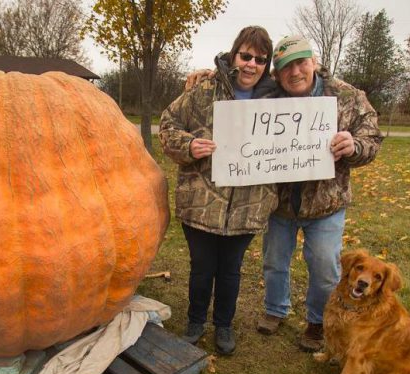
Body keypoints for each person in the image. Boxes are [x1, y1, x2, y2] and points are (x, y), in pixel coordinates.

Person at [184, 35, 383, 352]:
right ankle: (275, 309)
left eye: (301, 63)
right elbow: (237, 79)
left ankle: (317, 323)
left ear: (314, 62)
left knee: (323, 266)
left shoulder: (346, 97)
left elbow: (372, 137)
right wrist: (206, 74)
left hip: (326, 205)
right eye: (286, 66)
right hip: (280, 205)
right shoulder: (270, 94)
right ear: (277, 73)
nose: (295, 72)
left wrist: (354, 146)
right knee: (275, 262)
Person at [159, 26, 279, 355]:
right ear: (233, 54)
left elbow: (311, 87)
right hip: (201, 201)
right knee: (201, 268)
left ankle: (224, 325)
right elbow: (168, 125)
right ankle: (196, 321)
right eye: (245, 56)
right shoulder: (204, 90)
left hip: (248, 205)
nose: (251, 64)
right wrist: (189, 145)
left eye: (260, 59)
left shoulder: (276, 100)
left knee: (230, 270)